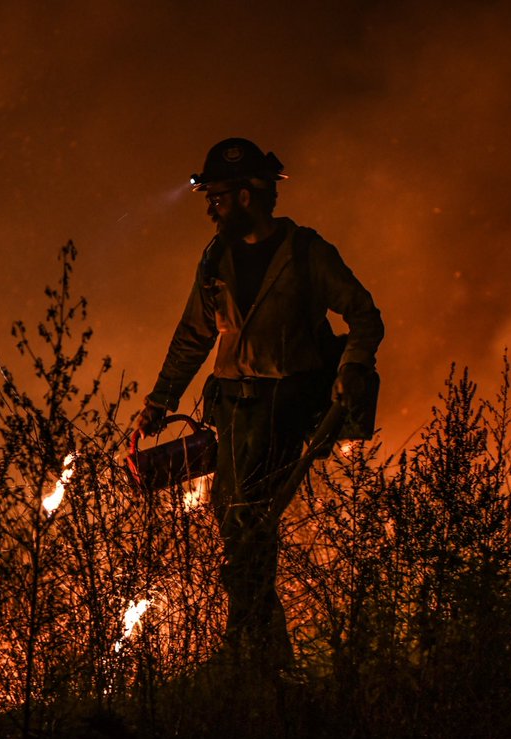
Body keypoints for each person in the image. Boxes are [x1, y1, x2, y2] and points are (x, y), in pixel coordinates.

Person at [135, 137, 383, 669]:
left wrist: (352, 369)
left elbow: (364, 316)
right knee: (236, 521)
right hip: (231, 408)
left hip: (284, 404)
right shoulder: (216, 257)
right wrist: (159, 401)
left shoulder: (306, 253)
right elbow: (192, 336)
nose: (211, 207)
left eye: (219, 197)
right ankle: (271, 657)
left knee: (250, 521)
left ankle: (242, 648)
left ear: (247, 196)